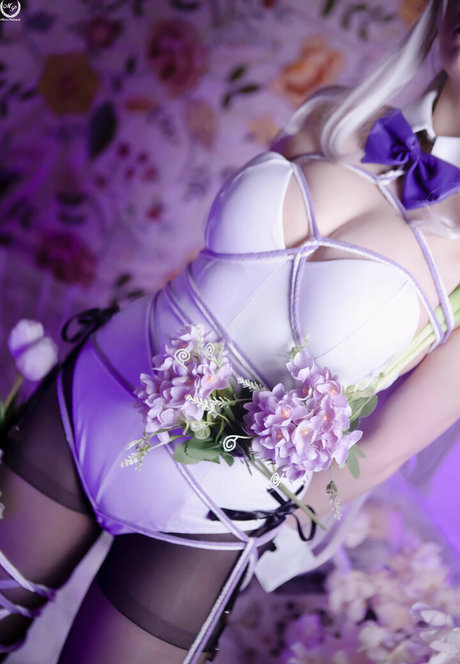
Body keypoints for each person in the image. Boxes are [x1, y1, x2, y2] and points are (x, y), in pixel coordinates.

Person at [0, 0, 459, 661]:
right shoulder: (336, 115)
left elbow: (382, 450)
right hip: (86, 404)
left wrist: (294, 515)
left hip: (207, 518)